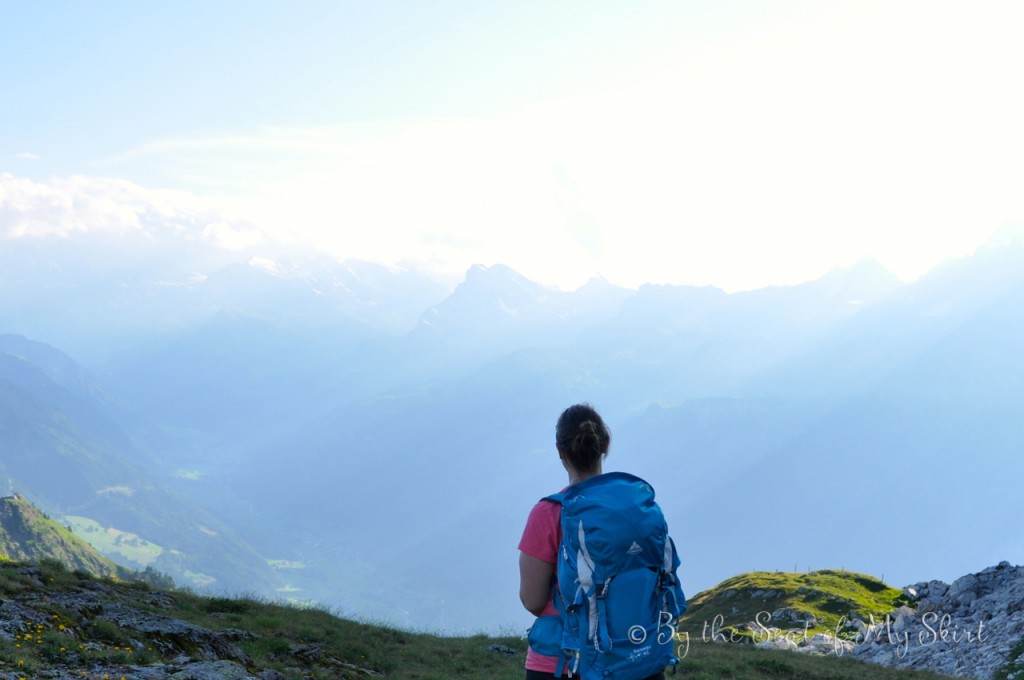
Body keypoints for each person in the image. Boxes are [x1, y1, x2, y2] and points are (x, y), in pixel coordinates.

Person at [518, 403, 669, 680]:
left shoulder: (550, 513)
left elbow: (533, 600)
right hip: (639, 655)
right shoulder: (639, 508)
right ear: (605, 445)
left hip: (566, 661)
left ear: (560, 451)